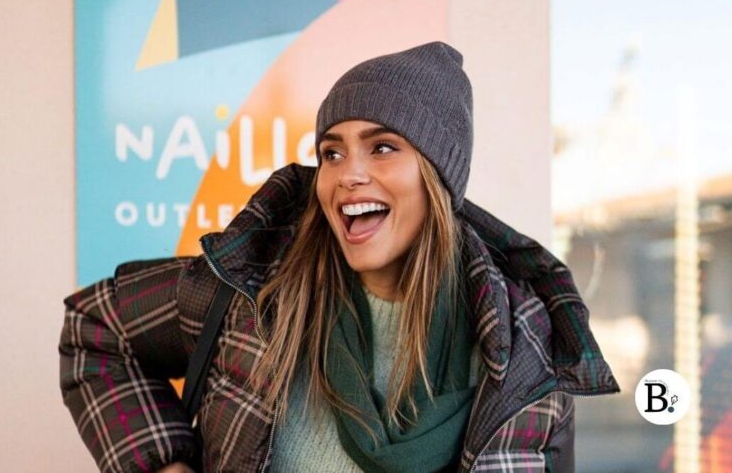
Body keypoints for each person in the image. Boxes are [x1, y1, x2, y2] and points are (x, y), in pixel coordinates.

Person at [59, 41, 620, 473]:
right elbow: (95, 327)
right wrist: (165, 463)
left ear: (438, 179)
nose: (348, 173)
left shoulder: (521, 356)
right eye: (332, 151)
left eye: (382, 147)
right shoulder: (254, 293)